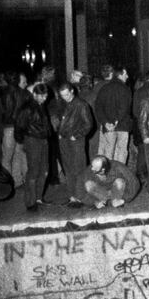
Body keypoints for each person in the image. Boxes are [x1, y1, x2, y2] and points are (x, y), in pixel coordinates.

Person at [13, 83, 51, 211]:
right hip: (32, 140)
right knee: (34, 171)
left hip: (43, 140)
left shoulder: (40, 105)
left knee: (44, 170)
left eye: (45, 96)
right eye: (41, 96)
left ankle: (38, 198)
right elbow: (19, 125)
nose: (44, 98)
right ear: (34, 94)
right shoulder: (27, 108)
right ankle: (31, 202)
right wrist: (22, 141)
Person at [69, 155, 139, 209]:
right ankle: (107, 203)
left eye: (95, 169)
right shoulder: (89, 170)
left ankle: (115, 202)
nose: (92, 169)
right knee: (88, 184)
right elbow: (79, 190)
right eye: (92, 166)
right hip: (101, 193)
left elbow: (134, 182)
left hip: (116, 192)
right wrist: (94, 202)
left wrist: (124, 199)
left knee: (119, 181)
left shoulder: (117, 167)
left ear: (103, 170)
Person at [56, 83, 94, 182]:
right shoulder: (62, 103)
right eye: (62, 95)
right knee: (68, 168)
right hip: (64, 139)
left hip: (76, 140)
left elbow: (88, 124)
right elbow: (60, 120)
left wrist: (77, 135)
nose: (65, 98)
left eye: (67, 95)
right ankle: (72, 194)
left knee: (79, 168)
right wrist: (59, 133)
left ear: (72, 91)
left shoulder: (81, 105)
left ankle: (80, 193)